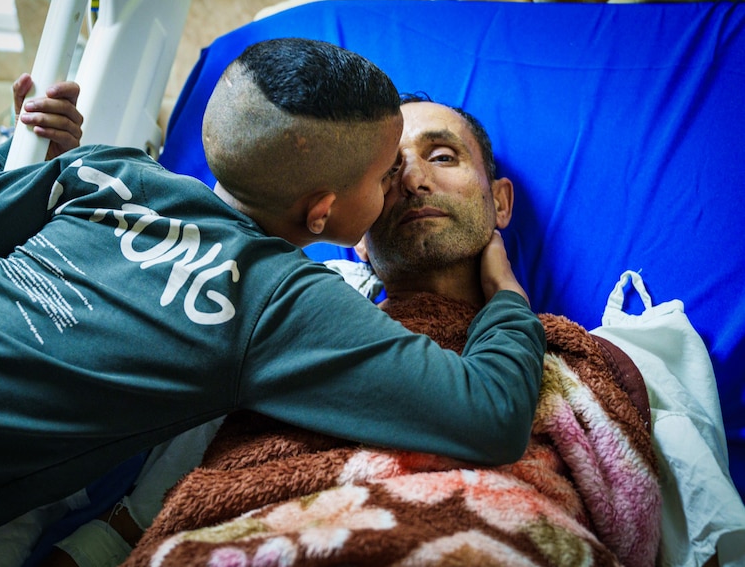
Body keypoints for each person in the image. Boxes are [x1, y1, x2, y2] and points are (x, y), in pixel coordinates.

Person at [0, 38, 544, 567]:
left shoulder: (108, 171)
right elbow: (489, 413)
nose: (409, 184)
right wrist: (509, 294)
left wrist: (12, 161)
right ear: (324, 214)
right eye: (384, 176)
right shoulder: (280, 301)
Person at [118, 94, 662, 567]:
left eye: (442, 156)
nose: (413, 179)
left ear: (499, 201)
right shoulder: (289, 326)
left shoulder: (585, 362)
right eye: (385, 174)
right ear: (355, 231)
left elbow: (634, 525)